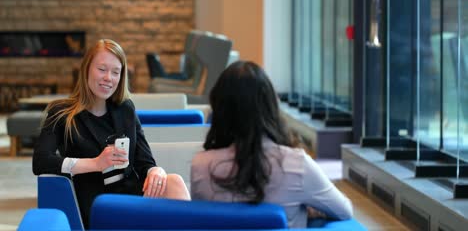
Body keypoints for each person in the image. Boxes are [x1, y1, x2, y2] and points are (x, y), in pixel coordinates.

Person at [33, 39, 190, 228]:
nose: (109, 77)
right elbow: (41, 161)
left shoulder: (125, 109)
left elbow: (145, 160)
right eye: (102, 69)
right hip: (98, 202)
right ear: (86, 69)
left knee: (173, 181)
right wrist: (95, 163)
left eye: (115, 72)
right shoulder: (61, 113)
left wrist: (155, 170)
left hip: (132, 195)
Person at [190, 61, 353, 228]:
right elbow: (344, 211)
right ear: (271, 106)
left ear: (219, 109)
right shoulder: (297, 164)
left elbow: (203, 221)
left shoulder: (201, 166)